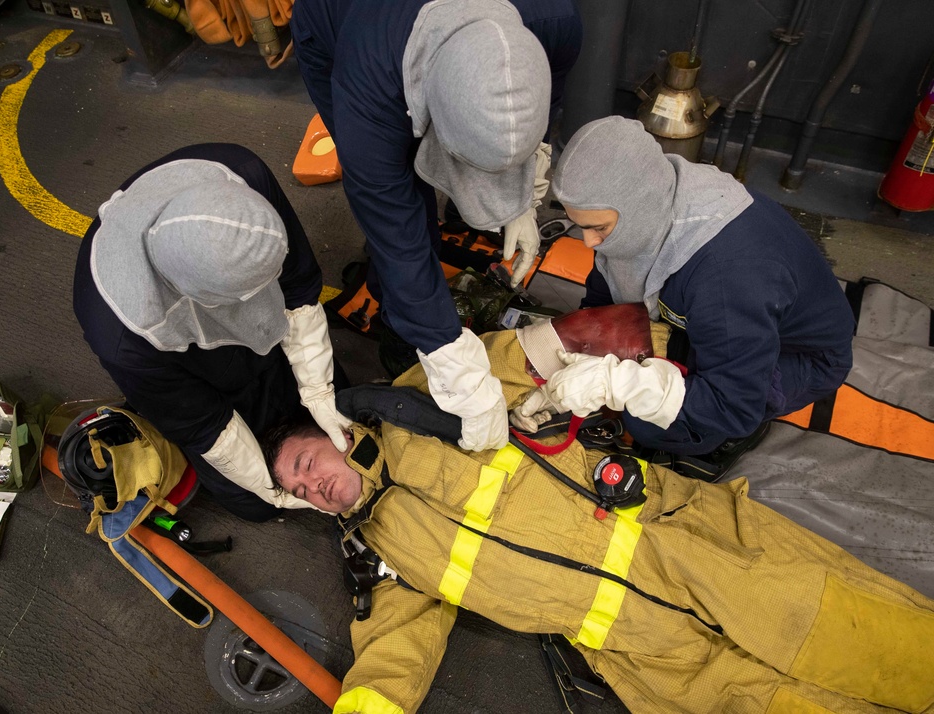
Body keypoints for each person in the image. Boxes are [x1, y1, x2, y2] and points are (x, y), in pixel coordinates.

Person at [262, 324, 934, 714]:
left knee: (840, 622)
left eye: (305, 461)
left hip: (672, 542)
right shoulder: (374, 545)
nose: (312, 486)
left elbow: (561, 344)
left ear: (330, 428)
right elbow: (395, 640)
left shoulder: (421, 401)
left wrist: (686, 358)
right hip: (629, 644)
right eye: (298, 489)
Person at [290, 0, 582, 452]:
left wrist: (526, 198)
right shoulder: (369, 102)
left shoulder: (555, 23)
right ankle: (404, 333)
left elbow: (546, 108)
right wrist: (465, 384)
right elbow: (397, 236)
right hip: (343, 29)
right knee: (405, 208)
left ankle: (427, 315)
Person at [516, 116, 856, 465]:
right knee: (637, 365)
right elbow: (602, 309)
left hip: (797, 356)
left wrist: (618, 385)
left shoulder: (726, 277)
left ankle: (729, 435)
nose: (589, 243)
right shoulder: (653, 200)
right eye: (582, 226)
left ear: (638, 206)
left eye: (599, 228)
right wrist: (565, 372)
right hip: (721, 317)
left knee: (647, 422)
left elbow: (733, 404)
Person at [73, 143, 350, 521]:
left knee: (343, 403)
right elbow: (205, 424)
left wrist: (317, 391)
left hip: (247, 313)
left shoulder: (243, 173)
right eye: (245, 300)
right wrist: (273, 491)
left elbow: (298, 288)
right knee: (254, 503)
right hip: (200, 376)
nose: (313, 487)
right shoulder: (125, 338)